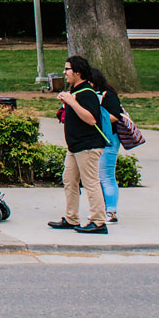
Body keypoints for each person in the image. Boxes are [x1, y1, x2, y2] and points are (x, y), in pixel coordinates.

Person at [52, 56, 110, 234]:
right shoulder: (77, 92)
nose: (64, 72)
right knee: (69, 180)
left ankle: (99, 222)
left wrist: (71, 102)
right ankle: (71, 218)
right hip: (75, 146)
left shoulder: (87, 93)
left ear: (78, 72)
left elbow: (91, 119)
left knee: (90, 183)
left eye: (67, 69)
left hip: (88, 146)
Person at [88, 66, 126, 224]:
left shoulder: (108, 96)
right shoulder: (89, 95)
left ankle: (111, 211)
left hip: (109, 140)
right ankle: (103, 208)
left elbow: (116, 116)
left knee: (106, 176)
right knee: (97, 176)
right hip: (95, 140)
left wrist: (95, 119)